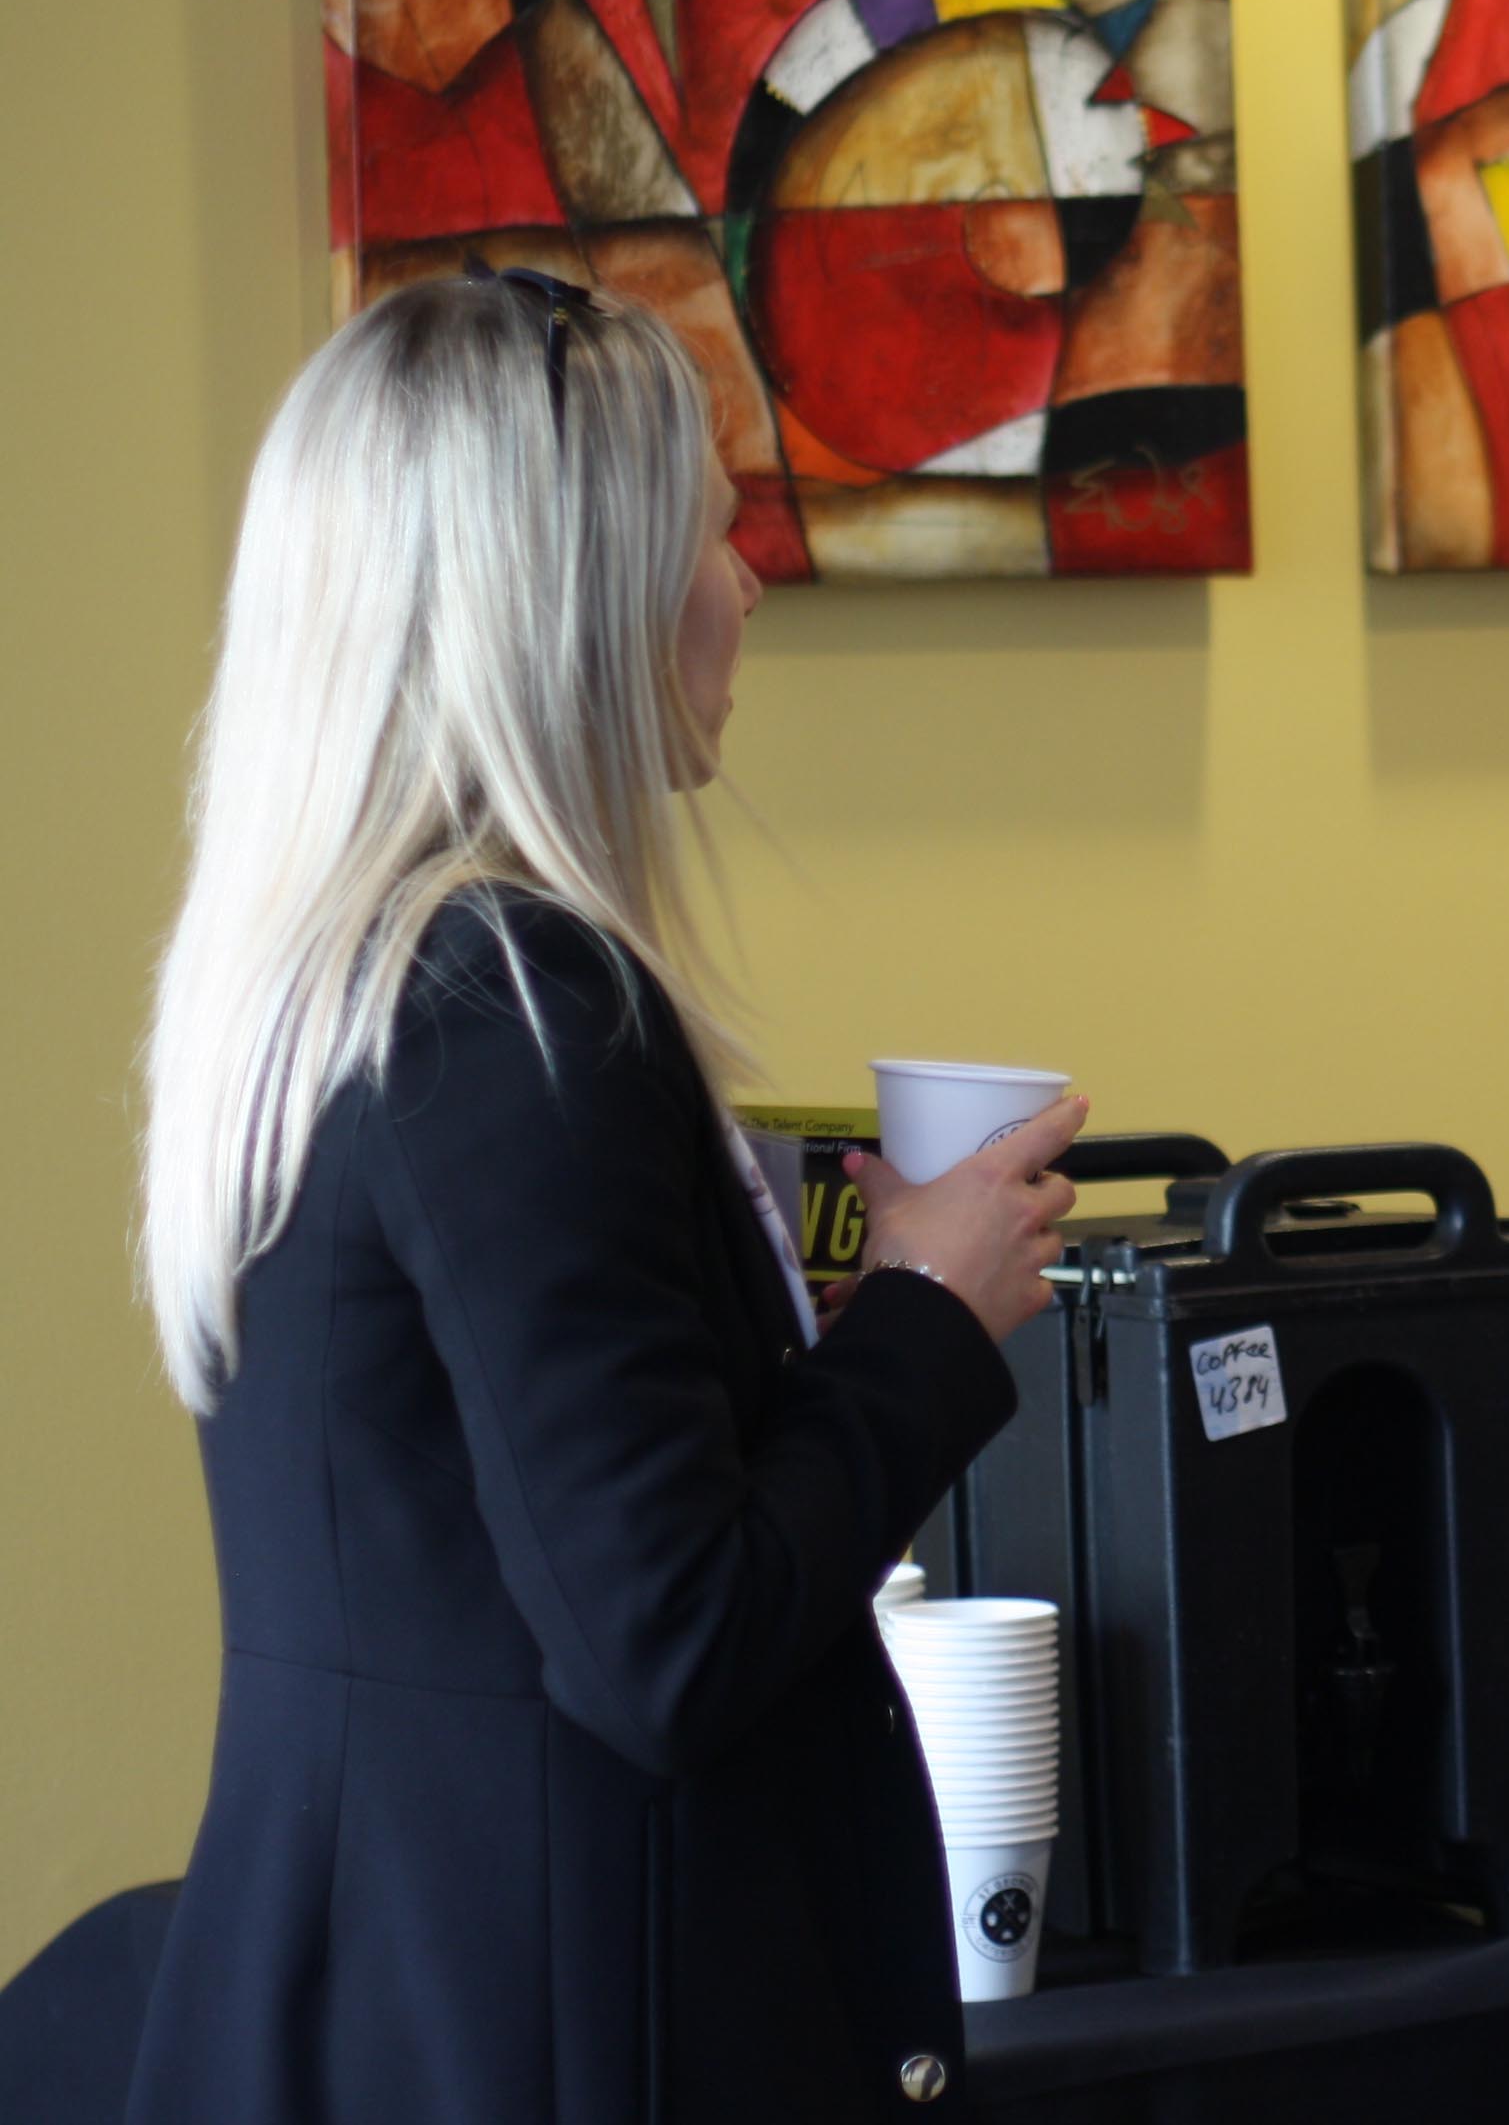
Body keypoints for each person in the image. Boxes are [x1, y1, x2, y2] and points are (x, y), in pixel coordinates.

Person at [128, 270, 1081, 2123]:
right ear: (572, 595)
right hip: (542, 2032)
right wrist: (923, 1319)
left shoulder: (320, 989)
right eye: (710, 526)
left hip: (371, 1991)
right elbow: (671, 1635)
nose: (745, 583)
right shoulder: (518, 1012)